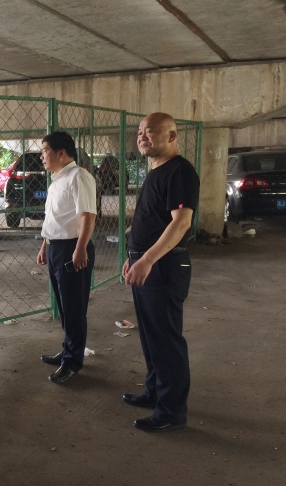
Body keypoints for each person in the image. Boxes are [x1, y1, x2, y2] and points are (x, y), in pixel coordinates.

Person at [121, 112, 200, 432]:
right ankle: (155, 392)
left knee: (166, 340)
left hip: (165, 266)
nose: (142, 136)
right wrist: (134, 257)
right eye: (140, 131)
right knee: (151, 336)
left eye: (151, 131)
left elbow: (181, 223)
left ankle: (171, 412)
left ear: (171, 136)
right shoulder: (156, 170)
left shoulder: (179, 171)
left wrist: (148, 259)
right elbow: (151, 220)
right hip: (147, 264)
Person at [37, 132, 97, 384]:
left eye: (45, 151)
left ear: (61, 152)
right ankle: (68, 350)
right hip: (56, 247)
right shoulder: (56, 180)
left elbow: (88, 215)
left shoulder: (79, 177)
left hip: (72, 248)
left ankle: (72, 361)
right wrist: (45, 245)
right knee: (64, 305)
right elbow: (55, 218)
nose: (41, 156)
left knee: (74, 307)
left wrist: (80, 249)